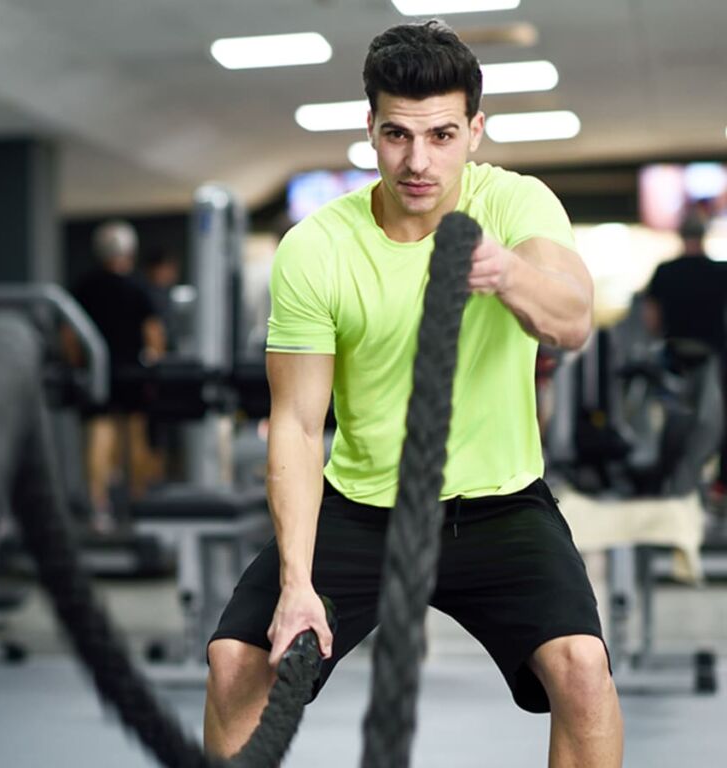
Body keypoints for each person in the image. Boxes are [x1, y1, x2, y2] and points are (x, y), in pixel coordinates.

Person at [204, 20, 623, 766]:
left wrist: (505, 273)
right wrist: (297, 584)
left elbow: (573, 321)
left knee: (583, 673)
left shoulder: (515, 205)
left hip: (499, 506)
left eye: (441, 135)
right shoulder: (317, 247)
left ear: (476, 130)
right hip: (363, 510)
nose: (418, 160)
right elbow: (298, 426)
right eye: (397, 135)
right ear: (370, 129)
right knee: (237, 665)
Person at [65, 220, 166, 533]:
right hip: (131, 372)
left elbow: (68, 335)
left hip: (99, 372)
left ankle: (100, 506)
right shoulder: (137, 288)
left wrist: (79, 365)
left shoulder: (84, 287)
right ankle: (137, 503)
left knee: (100, 433)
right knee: (134, 434)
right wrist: (155, 363)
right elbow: (154, 334)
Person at [642, 209, 727, 503]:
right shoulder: (719, 271)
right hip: (711, 360)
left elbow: (651, 317)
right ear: (703, 237)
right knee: (709, 426)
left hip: (673, 358)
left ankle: (670, 487)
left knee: (671, 426)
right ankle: (692, 488)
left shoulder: (666, 271)